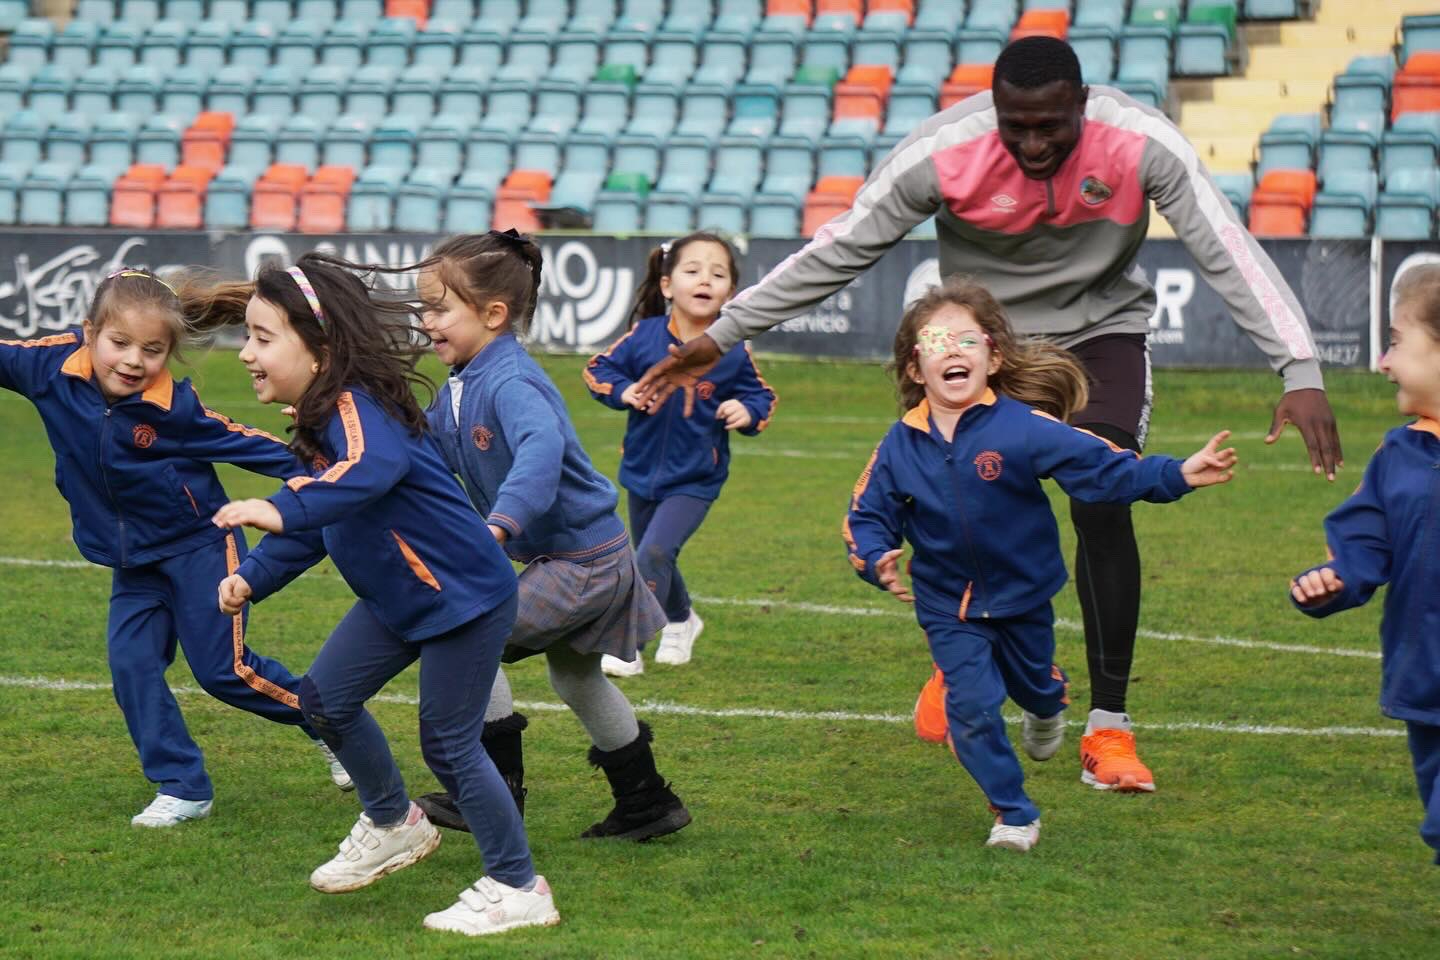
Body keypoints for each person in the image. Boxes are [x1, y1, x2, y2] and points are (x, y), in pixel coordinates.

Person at [633, 36, 1342, 792]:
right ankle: (966, 652)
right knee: (959, 493)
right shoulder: (944, 151)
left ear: (1082, 104)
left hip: (1100, 336)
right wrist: (721, 336)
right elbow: (838, 250)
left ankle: (1109, 731)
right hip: (981, 338)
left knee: (1102, 495)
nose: (1032, 144)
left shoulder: (1140, 144)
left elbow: (1226, 249)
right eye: (1016, 126)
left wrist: (1298, 368)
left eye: (1050, 127)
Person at [209, 254, 559, 937]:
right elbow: (329, 514)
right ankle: (394, 820)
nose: (247, 353)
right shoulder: (320, 419)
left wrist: (283, 505)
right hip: (403, 597)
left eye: (262, 336)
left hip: (462, 596)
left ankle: (520, 887)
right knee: (323, 700)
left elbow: (364, 472)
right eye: (246, 335)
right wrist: (255, 575)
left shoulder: (355, 409)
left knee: (450, 742)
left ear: (320, 346)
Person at [846, 277, 1237, 850]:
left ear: (994, 356)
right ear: (913, 368)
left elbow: (1107, 471)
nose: (952, 350)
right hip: (946, 606)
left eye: (967, 340)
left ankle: (1047, 699)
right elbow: (866, 513)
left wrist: (1177, 474)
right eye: (936, 342)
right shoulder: (898, 445)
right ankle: (1013, 811)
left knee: (1034, 689)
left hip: (1024, 599)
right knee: (972, 709)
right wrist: (876, 557)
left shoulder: (1024, 427)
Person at [0, 268, 350, 828]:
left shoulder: (175, 411)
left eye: (152, 350)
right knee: (132, 666)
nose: (133, 361)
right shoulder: (49, 367)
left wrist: (337, 472)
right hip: (132, 562)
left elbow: (255, 446)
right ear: (89, 332)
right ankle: (182, 785)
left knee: (224, 672)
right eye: (119, 344)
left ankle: (331, 726)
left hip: (200, 547)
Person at [402, 230, 691, 843]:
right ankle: (648, 803)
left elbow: (540, 450)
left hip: (582, 560)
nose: (426, 322)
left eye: (438, 308)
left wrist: (501, 522)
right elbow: (421, 446)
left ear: (493, 314)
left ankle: (491, 795)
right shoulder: (466, 377)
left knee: (465, 633)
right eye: (423, 307)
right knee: (577, 678)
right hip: (585, 554)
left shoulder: (508, 380)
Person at [1290, 263, 1440, 865]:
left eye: (1398, 342)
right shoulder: (1398, 454)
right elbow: (1365, 542)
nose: (1382, 360)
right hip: (1423, 678)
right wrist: (1336, 579)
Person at [584, 232, 777, 676]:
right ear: (668, 285)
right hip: (639, 471)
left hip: (696, 479)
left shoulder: (731, 349)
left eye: (718, 273)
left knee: (651, 555)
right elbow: (597, 370)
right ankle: (681, 619)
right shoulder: (644, 337)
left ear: (731, 290)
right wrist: (624, 390)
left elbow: (762, 397)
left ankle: (627, 644)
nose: (705, 279)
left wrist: (744, 410)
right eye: (692, 270)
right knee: (656, 554)